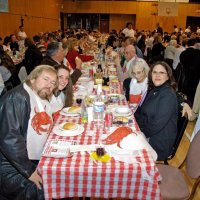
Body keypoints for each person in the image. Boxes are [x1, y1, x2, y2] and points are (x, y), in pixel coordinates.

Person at [0, 65, 57, 200]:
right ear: (32, 79)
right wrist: (30, 171)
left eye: (53, 83)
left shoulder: (33, 95)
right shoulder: (17, 98)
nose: (49, 85)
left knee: (59, 175)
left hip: (20, 160)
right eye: (46, 79)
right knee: (47, 187)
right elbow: (10, 139)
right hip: (8, 167)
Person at [134, 61, 178, 161]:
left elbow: (156, 125)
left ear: (168, 76)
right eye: (154, 72)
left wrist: (139, 133)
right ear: (150, 74)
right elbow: (141, 112)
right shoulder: (154, 90)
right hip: (147, 133)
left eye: (162, 73)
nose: (157, 75)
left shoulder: (168, 95)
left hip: (157, 143)